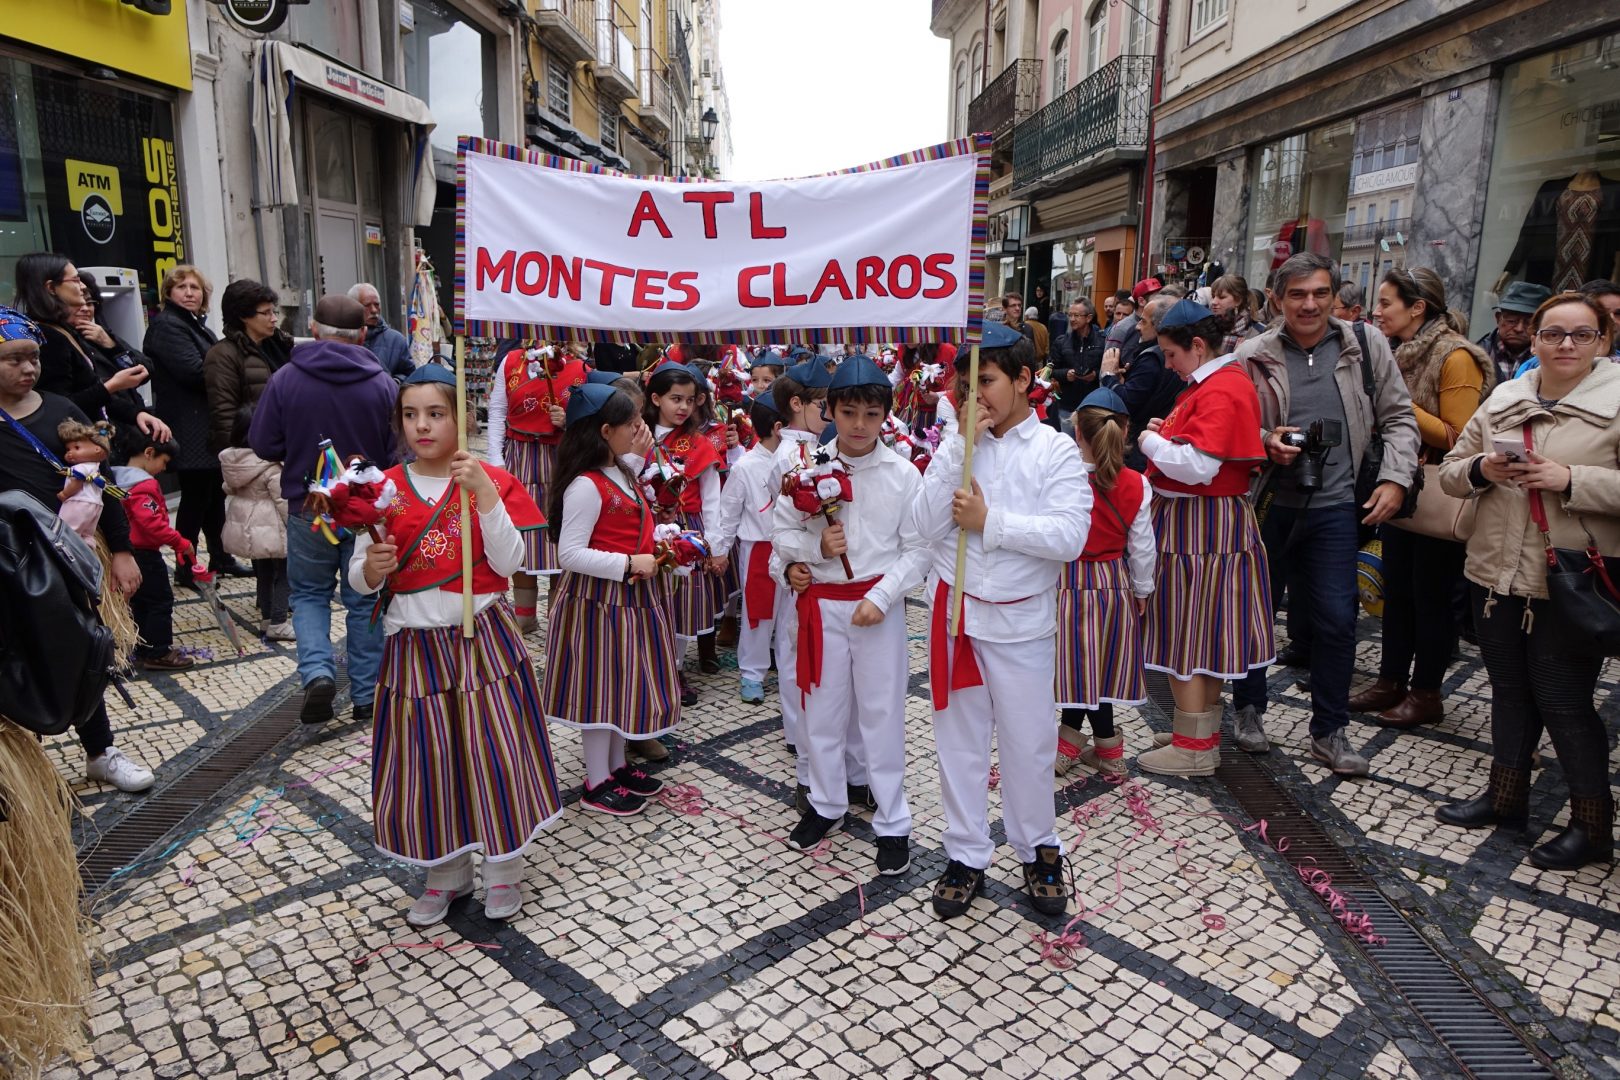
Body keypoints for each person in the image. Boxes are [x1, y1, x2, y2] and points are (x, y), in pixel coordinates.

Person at [351, 365, 561, 924]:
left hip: (480, 642)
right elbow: (357, 576)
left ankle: (502, 870)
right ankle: (443, 871)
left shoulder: (485, 478)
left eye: (437, 413)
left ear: (461, 417)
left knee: (493, 754)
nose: (423, 425)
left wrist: (487, 498)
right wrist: (370, 570)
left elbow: (512, 563)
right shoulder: (382, 489)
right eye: (411, 414)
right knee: (429, 761)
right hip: (413, 650)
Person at [910, 322, 1090, 920]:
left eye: (984, 382)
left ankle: (1039, 847)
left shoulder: (1055, 450)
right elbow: (920, 527)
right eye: (965, 385)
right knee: (958, 747)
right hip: (958, 618)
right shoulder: (957, 446)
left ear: (1022, 380)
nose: (974, 396)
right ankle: (965, 853)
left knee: (1029, 745)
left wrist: (992, 521)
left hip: (1021, 627)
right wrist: (957, 449)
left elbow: (1069, 535)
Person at [1435, 291, 1618, 871]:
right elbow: (1449, 473)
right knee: (1509, 691)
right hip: (1496, 571)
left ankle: (1592, 825)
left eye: (1581, 334)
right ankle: (1504, 797)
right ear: (1534, 339)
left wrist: (1571, 478)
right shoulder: (1507, 395)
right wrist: (1481, 469)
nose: (1566, 344)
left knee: (1564, 703)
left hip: (1569, 579)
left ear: (1603, 341)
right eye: (1553, 333)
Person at [1233, 253, 1420, 776]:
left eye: (1319, 292)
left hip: (1337, 505)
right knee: (1256, 614)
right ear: (1277, 299)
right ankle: (1248, 709)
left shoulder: (1366, 346)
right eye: (1297, 294)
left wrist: (1394, 479)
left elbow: (1400, 418)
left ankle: (1329, 731)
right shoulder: (1252, 354)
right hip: (1267, 506)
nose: (1309, 304)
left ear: (1334, 294)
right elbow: (1228, 431)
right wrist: (1264, 442)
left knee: (1339, 620)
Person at [773, 356, 926, 871]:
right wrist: (806, 558)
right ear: (829, 411)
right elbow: (782, 537)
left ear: (886, 415)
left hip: (874, 609)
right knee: (821, 711)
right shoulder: (806, 473)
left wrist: (882, 597)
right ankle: (826, 802)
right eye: (848, 412)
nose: (859, 425)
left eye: (871, 414)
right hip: (821, 607)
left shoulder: (903, 474)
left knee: (881, 715)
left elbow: (918, 550)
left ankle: (892, 818)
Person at [0, 308, 152, 792]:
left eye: (33, 358)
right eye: (13, 360)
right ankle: (28, 769)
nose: (28, 369)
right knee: (16, 658)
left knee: (85, 645)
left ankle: (101, 750)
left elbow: (101, 484)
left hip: (70, 556)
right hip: (10, 564)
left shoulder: (63, 408)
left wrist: (123, 550)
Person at [1134, 300, 1272, 776]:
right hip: (1214, 524)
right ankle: (1196, 733)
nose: (1167, 366)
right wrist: (1165, 434)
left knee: (1187, 633)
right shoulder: (1218, 384)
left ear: (1197, 345)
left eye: (1171, 354)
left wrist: (1149, 442)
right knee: (1207, 634)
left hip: (1198, 526)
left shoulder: (1220, 388)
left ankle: (1193, 749)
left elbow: (1197, 466)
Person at [1351, 268, 1494, 727]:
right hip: (1398, 485)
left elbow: (1459, 435)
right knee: (1397, 593)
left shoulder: (1457, 357)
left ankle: (1427, 691)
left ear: (1418, 307)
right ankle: (1390, 680)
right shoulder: (1394, 353)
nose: (1378, 311)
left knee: (1431, 597)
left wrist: (1394, 404)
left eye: (1387, 302)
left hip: (1436, 490)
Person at [249, 294, 398, 725]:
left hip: (307, 507)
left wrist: (296, 452)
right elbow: (394, 452)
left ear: (313, 329)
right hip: (366, 513)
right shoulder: (383, 383)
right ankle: (368, 695)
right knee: (365, 598)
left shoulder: (286, 378)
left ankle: (317, 673)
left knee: (310, 595)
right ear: (364, 334)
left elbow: (261, 443)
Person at [540, 382, 679, 816]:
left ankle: (617, 767)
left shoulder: (621, 471)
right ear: (605, 431)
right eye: (632, 423)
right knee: (600, 689)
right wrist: (627, 562)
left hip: (628, 600)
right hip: (597, 603)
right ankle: (596, 779)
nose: (640, 429)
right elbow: (569, 553)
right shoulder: (585, 485)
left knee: (622, 685)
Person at [1055, 387, 1154, 778]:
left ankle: (1069, 751)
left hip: (1066, 582)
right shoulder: (1136, 483)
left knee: (1079, 670)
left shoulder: (1062, 478)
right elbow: (1143, 546)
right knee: (1098, 669)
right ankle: (1108, 753)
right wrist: (1142, 589)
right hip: (1113, 583)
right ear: (1125, 431)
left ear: (1077, 431)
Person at [144, 265, 247, 584]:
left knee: (213, 494)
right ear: (169, 294)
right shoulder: (167, 326)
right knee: (195, 497)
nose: (189, 292)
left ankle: (220, 556)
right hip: (188, 425)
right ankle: (186, 567)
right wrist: (234, 375)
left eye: (195, 288)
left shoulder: (193, 325)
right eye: (181, 287)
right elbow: (194, 371)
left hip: (204, 423)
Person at [487, 343, 590, 632]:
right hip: (519, 458)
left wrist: (568, 422)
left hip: (561, 460)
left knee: (561, 535)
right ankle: (524, 614)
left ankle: (559, 612)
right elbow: (497, 413)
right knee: (520, 533)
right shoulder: (511, 363)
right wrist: (497, 464)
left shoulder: (580, 369)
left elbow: (592, 425)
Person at [12, 254, 164, 447]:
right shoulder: (46, 337)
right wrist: (112, 386)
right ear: (51, 288)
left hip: (94, 444)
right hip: (75, 450)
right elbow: (58, 406)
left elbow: (95, 390)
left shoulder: (67, 331)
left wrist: (136, 413)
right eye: (75, 280)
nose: (82, 287)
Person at [769, 360, 834, 809]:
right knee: (798, 657)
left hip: (816, 565)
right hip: (804, 566)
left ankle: (810, 742)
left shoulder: (813, 447)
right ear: (798, 404)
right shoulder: (791, 456)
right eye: (822, 405)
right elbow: (785, 524)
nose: (829, 414)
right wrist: (792, 563)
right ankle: (802, 742)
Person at [644, 362, 729, 697]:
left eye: (689, 400)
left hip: (687, 531)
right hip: (646, 530)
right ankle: (653, 665)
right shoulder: (637, 436)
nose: (683, 407)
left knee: (681, 603)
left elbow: (712, 500)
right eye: (675, 398)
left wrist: (715, 546)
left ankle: (676, 669)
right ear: (655, 398)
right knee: (651, 601)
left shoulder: (699, 444)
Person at [706, 396, 785, 704]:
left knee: (791, 612)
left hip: (794, 548)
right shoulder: (746, 466)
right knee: (758, 614)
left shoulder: (796, 459)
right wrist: (721, 550)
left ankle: (786, 662)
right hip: (759, 548)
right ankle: (752, 672)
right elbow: (728, 512)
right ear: (779, 428)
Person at [110, 425, 195, 672]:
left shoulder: (117, 479)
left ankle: (142, 645)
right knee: (159, 601)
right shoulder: (144, 486)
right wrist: (181, 542)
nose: (165, 469)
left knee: (140, 602)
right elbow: (152, 524)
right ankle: (158, 651)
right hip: (144, 553)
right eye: (164, 461)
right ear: (149, 453)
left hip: (129, 551)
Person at [221, 408, 292, 641]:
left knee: (263, 572)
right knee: (285, 573)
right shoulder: (270, 465)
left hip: (249, 528)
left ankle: (267, 618)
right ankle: (279, 622)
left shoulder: (233, 461)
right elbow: (282, 500)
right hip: (272, 527)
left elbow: (228, 488)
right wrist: (295, 526)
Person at [204, 279, 293, 456]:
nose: (274, 318)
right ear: (243, 316)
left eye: (274, 311)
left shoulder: (282, 345)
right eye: (266, 313)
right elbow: (225, 417)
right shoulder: (223, 355)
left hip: (288, 443)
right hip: (254, 454)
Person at [1098, 294, 1183, 470]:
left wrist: (1108, 375)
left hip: (1144, 445)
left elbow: (1128, 401)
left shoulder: (1152, 358)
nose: (1137, 327)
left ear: (1160, 327)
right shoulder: (1165, 355)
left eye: (1143, 322)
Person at [1476, 281, 1551, 384]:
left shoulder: (1548, 359)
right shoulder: (1476, 354)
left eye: (1528, 322)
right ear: (1498, 319)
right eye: (1511, 320)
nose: (1519, 329)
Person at [1049, 298, 1105, 430]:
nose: (1072, 319)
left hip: (1093, 406)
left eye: (1077, 315)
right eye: (1070, 315)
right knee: (1068, 445)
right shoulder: (1061, 341)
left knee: (1089, 447)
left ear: (1089, 318)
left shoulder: (1102, 341)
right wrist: (1065, 374)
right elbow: (1050, 369)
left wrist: (1095, 375)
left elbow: (1108, 370)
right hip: (1067, 405)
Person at [54, 418, 112, 542]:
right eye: (68, 449)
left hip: (79, 502)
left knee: (67, 533)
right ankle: (89, 547)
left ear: (97, 449)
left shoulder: (81, 467)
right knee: (87, 535)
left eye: (76, 447)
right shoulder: (95, 467)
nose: (70, 453)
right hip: (96, 504)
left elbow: (77, 482)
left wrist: (65, 494)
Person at [348, 283, 415, 380]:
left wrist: (395, 383)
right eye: (367, 305)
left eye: (377, 304)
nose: (374, 310)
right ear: (353, 307)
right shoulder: (344, 337)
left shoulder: (396, 340)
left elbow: (411, 376)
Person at [1211, 274, 1262, 354]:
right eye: (1213, 296)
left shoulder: (1257, 333)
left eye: (1221, 297)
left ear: (1238, 300)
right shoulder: (1210, 327)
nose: (1213, 302)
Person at [1002, 293, 1049, 363]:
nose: (1017, 308)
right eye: (1013, 305)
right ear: (1005, 309)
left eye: (1019, 305)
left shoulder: (1027, 328)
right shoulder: (1000, 329)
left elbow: (1031, 355)